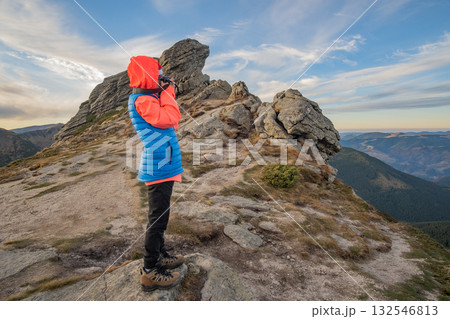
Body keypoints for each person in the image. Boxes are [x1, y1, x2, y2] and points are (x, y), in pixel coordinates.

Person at [127, 56, 184, 291]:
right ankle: (150, 270)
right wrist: (168, 92)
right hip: (159, 168)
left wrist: (162, 92)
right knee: (157, 220)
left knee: (162, 217)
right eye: (158, 73)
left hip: (164, 165)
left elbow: (171, 124)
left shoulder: (148, 97)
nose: (162, 77)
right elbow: (170, 118)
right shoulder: (141, 100)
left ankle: (161, 255)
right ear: (147, 74)